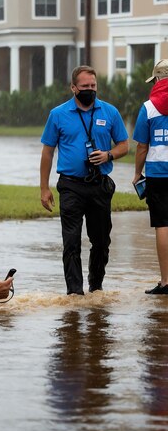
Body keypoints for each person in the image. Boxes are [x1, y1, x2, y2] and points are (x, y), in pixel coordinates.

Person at [40, 65, 129, 295]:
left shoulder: (109, 112)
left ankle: (96, 288)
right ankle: (74, 294)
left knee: (101, 242)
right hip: (70, 185)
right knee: (71, 242)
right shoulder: (58, 114)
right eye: (84, 86)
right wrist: (44, 188)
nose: (90, 90)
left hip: (99, 185)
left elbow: (124, 145)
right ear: (73, 88)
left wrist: (108, 154)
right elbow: (47, 152)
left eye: (93, 86)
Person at [132, 58, 168, 294]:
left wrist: (137, 173)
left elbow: (142, 147)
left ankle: (166, 282)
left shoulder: (149, 107)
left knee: (163, 225)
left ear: (157, 79)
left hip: (157, 173)